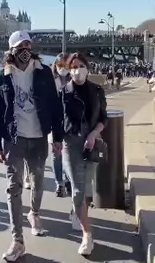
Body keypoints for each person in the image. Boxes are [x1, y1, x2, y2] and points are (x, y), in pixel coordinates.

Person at [0, 30, 64, 261]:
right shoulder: (2, 77)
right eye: (21, 47)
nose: (25, 51)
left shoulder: (43, 73)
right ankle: (17, 240)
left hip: (39, 136)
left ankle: (35, 213)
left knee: (38, 180)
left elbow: (55, 106)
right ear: (11, 51)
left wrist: (58, 137)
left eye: (28, 46)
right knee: (14, 187)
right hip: (14, 138)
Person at [61, 52, 107, 256]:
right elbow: (59, 120)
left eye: (80, 65)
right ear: (69, 70)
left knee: (86, 186)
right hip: (71, 143)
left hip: (92, 142)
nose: (77, 70)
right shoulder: (64, 92)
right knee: (79, 190)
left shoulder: (97, 91)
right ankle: (87, 235)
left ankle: (78, 210)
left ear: (88, 68)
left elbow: (103, 118)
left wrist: (94, 134)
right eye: (73, 66)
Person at [51, 53, 72, 197]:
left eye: (65, 66)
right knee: (56, 154)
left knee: (69, 153)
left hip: (70, 122)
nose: (62, 69)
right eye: (60, 66)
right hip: (55, 122)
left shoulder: (75, 79)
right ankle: (59, 183)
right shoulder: (50, 80)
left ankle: (69, 180)